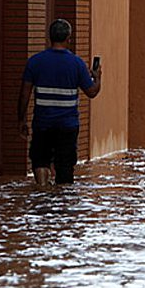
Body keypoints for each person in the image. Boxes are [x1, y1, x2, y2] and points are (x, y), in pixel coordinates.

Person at [18, 19, 102, 186]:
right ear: (68, 38)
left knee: (40, 160)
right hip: (68, 125)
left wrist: (21, 120)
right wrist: (98, 78)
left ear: (49, 38)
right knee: (65, 167)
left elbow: (24, 95)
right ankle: (62, 204)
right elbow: (92, 92)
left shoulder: (35, 62)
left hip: (42, 123)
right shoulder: (77, 64)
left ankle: (42, 191)